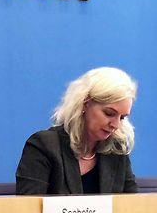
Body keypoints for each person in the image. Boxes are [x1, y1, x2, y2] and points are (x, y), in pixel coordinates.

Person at [16, 67, 138, 195]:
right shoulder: (44, 146)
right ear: (85, 103)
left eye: (122, 117)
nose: (116, 124)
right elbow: (27, 210)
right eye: (109, 113)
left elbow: (132, 207)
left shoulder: (117, 150)